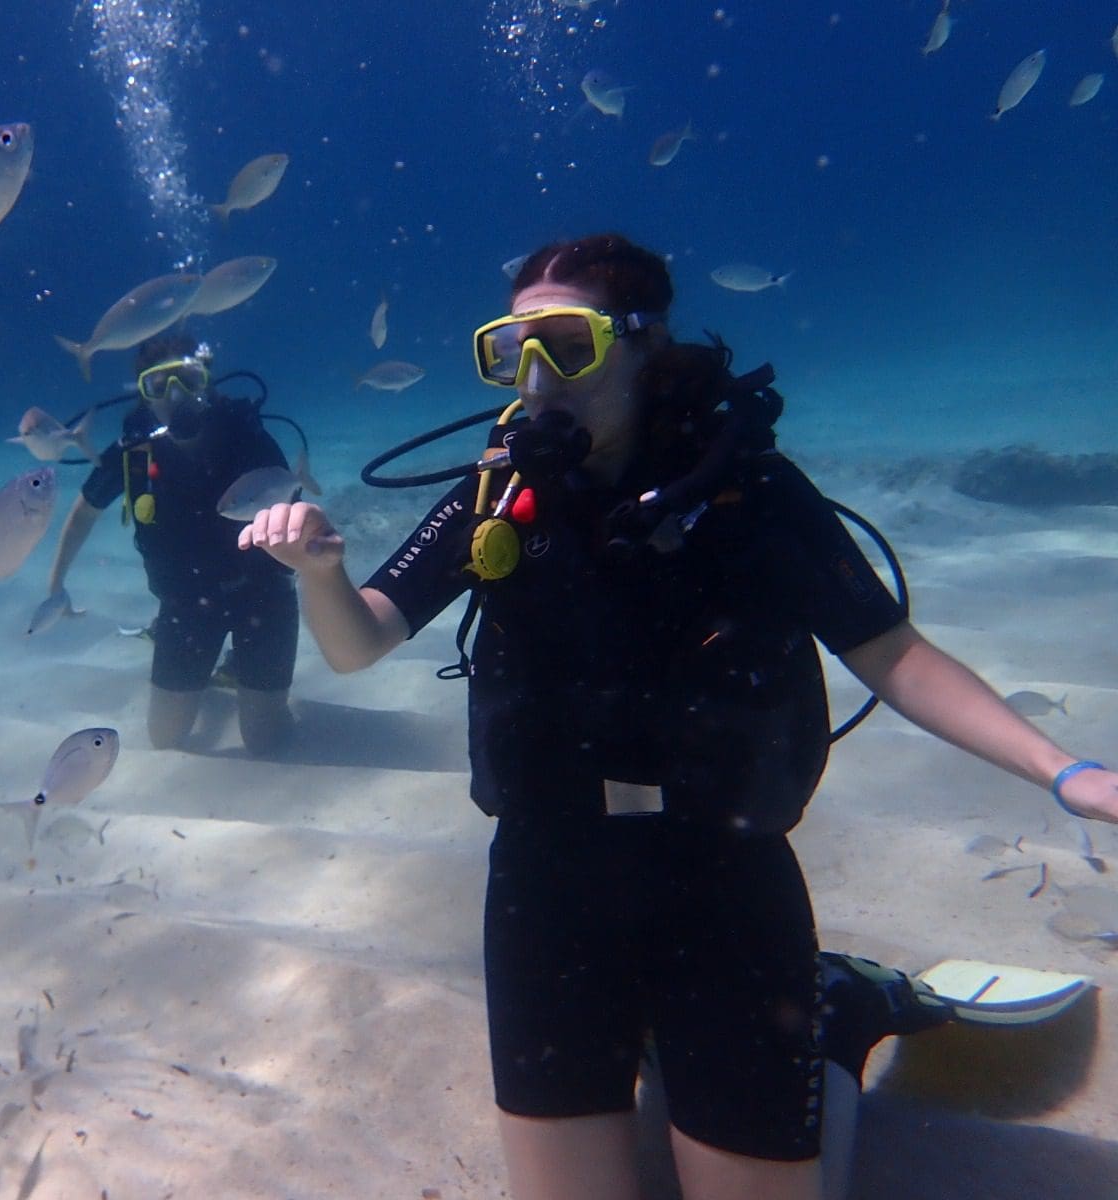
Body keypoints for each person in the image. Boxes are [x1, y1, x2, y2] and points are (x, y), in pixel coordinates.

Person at [238, 233, 1118, 1200]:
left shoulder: (752, 496)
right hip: (547, 876)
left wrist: (1064, 771)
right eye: (509, 349)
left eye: (565, 343)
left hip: (722, 877)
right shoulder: (499, 495)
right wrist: (319, 575)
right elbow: (360, 641)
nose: (534, 376)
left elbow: (894, 657)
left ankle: (834, 1014)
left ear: (643, 344)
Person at [43, 331, 298, 756]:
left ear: (208, 383)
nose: (176, 395)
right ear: (144, 396)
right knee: (165, 740)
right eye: (159, 385)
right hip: (186, 604)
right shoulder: (134, 453)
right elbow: (85, 510)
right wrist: (56, 586)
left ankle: (247, 677)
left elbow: (294, 510)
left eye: (188, 379)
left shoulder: (248, 438)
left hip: (265, 599)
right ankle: (219, 671)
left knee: (264, 742)